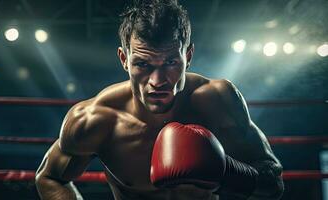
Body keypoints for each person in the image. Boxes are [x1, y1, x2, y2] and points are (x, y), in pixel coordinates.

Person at [35, 0, 284, 199]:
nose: (157, 80)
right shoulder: (97, 119)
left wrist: (228, 173)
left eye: (171, 63)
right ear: (124, 59)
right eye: (142, 64)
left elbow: (274, 183)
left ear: (188, 55)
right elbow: (49, 177)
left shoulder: (217, 101)